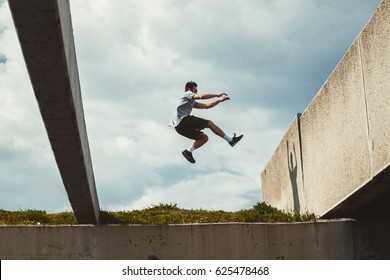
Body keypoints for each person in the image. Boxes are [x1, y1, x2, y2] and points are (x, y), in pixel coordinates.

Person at [170, 81, 243, 163]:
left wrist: (219, 100)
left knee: (204, 138)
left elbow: (207, 106)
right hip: (183, 121)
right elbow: (200, 96)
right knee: (209, 123)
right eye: (195, 90)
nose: (196, 92)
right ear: (189, 89)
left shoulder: (191, 101)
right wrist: (217, 94)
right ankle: (230, 140)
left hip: (179, 128)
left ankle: (188, 151)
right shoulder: (187, 94)